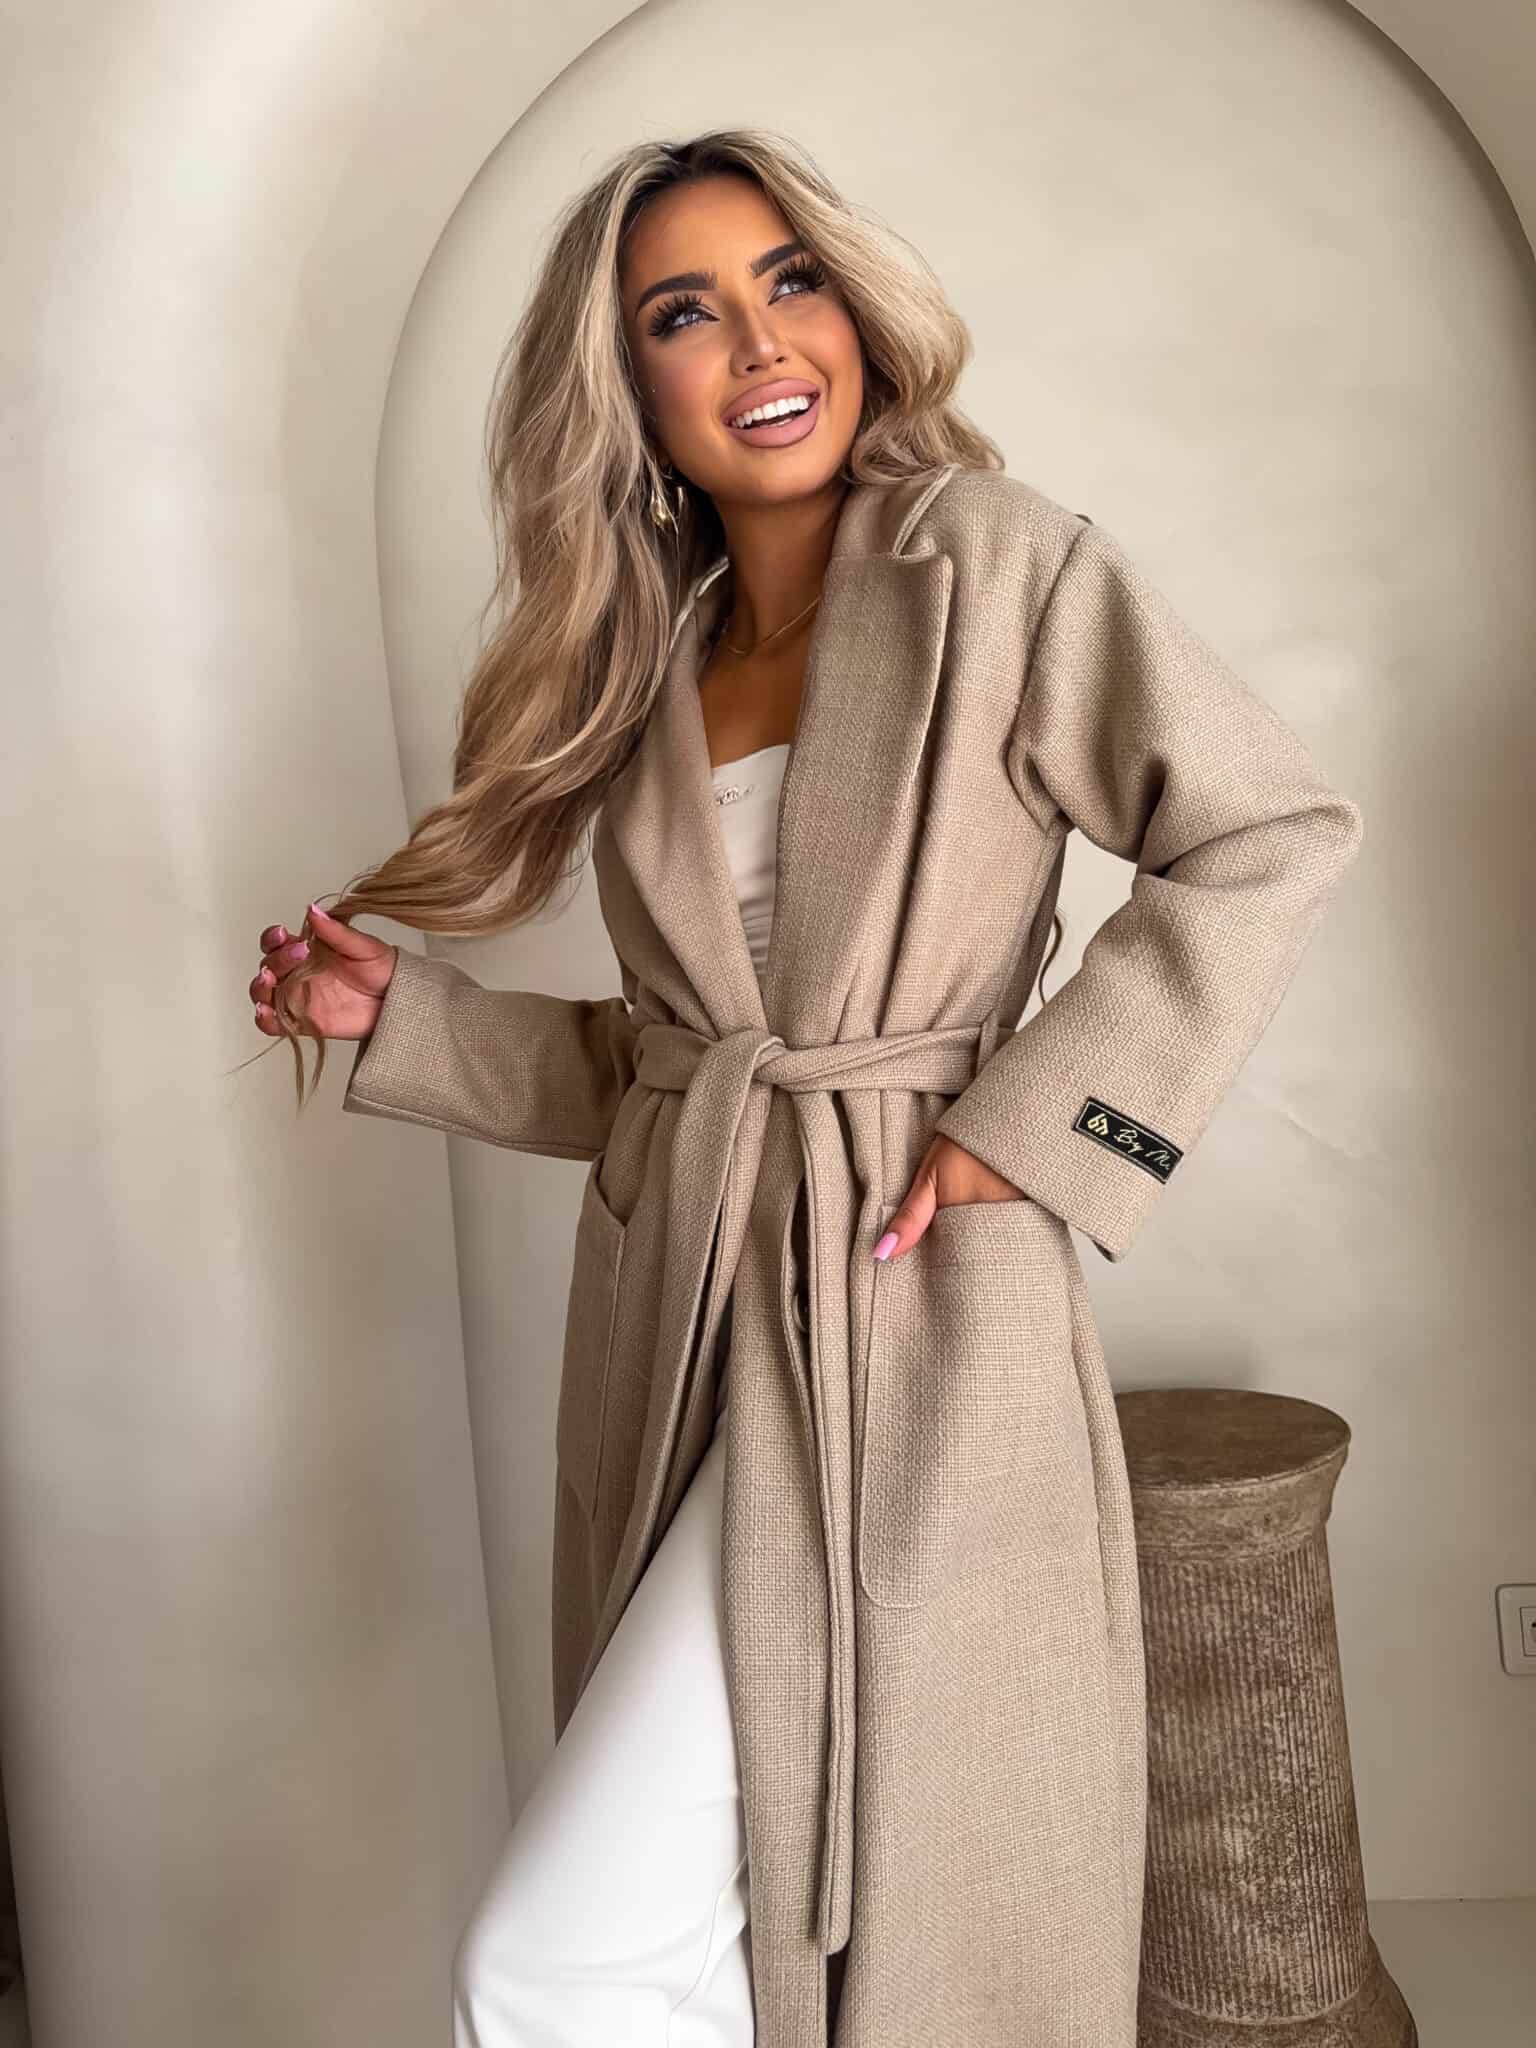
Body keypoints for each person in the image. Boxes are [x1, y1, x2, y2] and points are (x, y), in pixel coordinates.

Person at [249, 130, 1363, 2048]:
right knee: (693, 1937)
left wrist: (1032, 1135)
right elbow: (678, 1073)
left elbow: (1269, 829)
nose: (762, 340)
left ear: (856, 307)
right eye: (685, 312)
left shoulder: (991, 565)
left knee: (608, 1959)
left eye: (792, 280)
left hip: (902, 1315)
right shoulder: (653, 671)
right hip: (678, 1325)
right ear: (630, 388)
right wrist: (401, 1023)